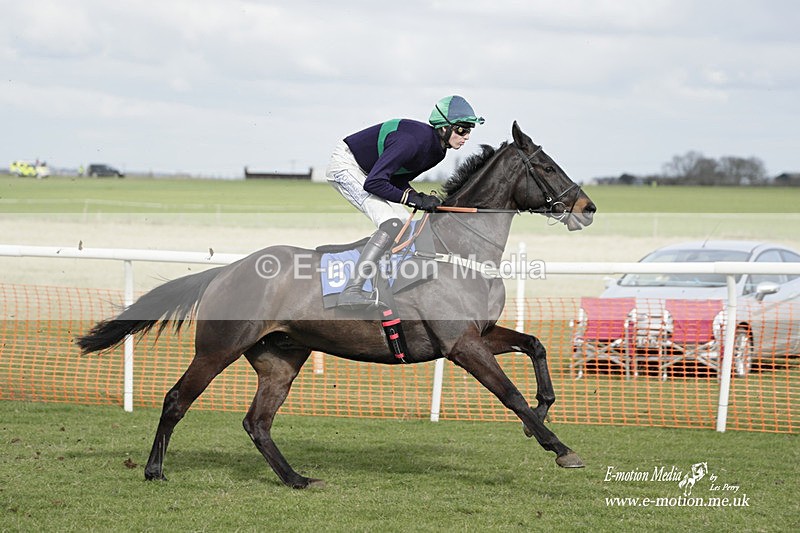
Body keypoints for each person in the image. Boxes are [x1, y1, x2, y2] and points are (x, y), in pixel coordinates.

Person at [326, 95, 484, 308]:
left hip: (370, 172)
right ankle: (352, 290)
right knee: (391, 222)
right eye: (462, 130)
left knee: (403, 223)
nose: (466, 136)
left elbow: (397, 178)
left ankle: (384, 279)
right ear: (444, 128)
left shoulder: (439, 152)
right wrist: (412, 199)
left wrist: (418, 196)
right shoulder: (412, 142)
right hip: (347, 165)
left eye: (469, 130)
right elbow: (374, 183)